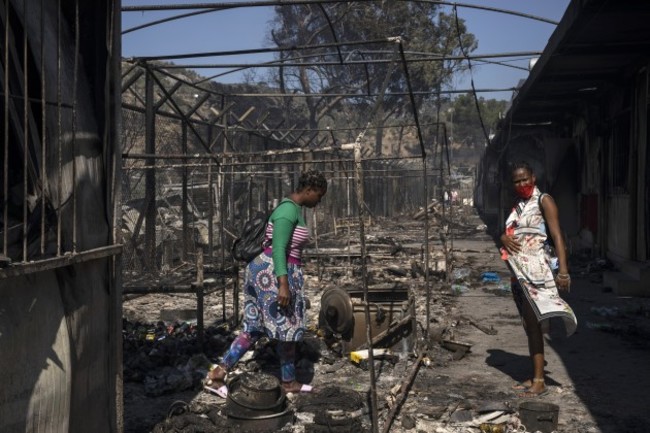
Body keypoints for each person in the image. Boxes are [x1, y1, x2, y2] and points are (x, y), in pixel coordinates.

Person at [205, 169, 328, 397]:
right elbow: (279, 248)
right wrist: (283, 284)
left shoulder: (293, 209)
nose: (319, 201)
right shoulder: (287, 211)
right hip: (272, 274)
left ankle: (218, 375)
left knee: (257, 328)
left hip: (268, 273)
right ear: (309, 190)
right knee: (285, 327)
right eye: (318, 195)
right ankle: (288, 382)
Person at [499, 161, 577, 398]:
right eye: (517, 181)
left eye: (525, 179)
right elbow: (511, 233)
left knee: (534, 322)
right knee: (528, 325)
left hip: (536, 271)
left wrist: (563, 271)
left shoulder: (544, 200)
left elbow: (557, 235)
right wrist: (503, 237)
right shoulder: (518, 206)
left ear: (533, 177)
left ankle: (540, 381)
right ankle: (534, 375)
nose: (521, 184)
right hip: (518, 272)